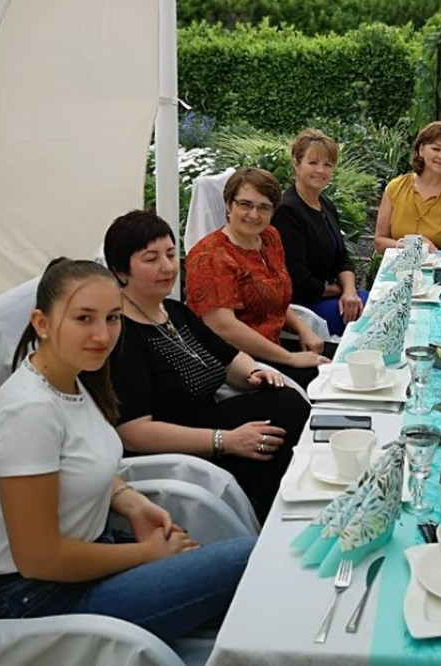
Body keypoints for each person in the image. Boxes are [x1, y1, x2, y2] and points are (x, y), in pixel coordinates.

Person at [0, 259, 254, 642]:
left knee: (245, 595)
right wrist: (145, 555)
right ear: (42, 323)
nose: (103, 335)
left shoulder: (72, 379)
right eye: (84, 318)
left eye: (113, 318)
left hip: (89, 563)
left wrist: (130, 501)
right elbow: (38, 557)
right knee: (253, 559)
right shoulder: (28, 413)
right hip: (45, 601)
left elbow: (79, 462)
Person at [105, 210, 309, 521]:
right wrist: (225, 441)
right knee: (283, 432)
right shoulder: (121, 334)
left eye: (170, 255)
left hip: (213, 420)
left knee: (287, 403)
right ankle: (281, 520)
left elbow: (228, 356)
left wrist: (254, 373)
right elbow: (134, 433)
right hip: (182, 451)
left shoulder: (173, 311)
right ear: (121, 271)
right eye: (151, 259)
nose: (167, 267)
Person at [185, 167, 330, 388]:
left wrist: (304, 330)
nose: (254, 215)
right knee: (332, 384)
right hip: (241, 366)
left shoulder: (269, 237)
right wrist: (290, 358)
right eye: (245, 204)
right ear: (229, 204)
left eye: (264, 207)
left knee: (348, 363)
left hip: (275, 348)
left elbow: (273, 298)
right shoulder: (210, 256)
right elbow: (222, 327)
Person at [271, 130, 367, 337]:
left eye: (327, 164)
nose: (321, 170)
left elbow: (343, 259)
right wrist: (340, 291)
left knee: (378, 303)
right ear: (297, 164)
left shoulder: (325, 205)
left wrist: (350, 292)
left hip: (330, 295)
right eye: (313, 163)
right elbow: (298, 281)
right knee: (372, 318)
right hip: (302, 308)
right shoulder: (287, 211)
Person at [374, 121, 441, 252]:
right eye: (436, 149)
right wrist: (413, 245)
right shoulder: (395, 187)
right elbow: (379, 242)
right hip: (395, 262)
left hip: (438, 264)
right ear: (421, 150)